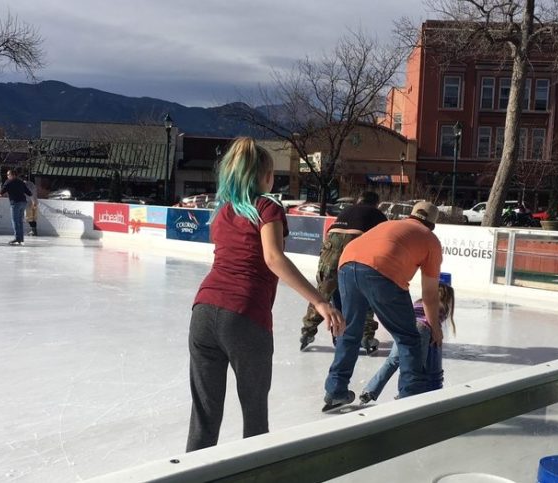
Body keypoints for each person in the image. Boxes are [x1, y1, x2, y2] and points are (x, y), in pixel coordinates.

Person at [187, 137, 345, 452]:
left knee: (204, 417)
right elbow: (274, 258)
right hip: (244, 315)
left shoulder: (222, 212)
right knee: (255, 417)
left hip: (203, 312)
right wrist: (319, 301)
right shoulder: (266, 206)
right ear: (263, 176)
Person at [323, 201, 444, 411]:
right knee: (408, 338)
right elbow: (430, 294)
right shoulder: (430, 240)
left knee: (350, 331)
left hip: (346, 263)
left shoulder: (390, 225)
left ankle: (335, 390)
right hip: (381, 271)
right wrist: (435, 327)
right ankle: (410, 397)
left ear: (411, 215)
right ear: (432, 224)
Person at [300, 191, 387, 353]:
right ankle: (366, 336)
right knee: (365, 290)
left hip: (330, 246)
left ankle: (307, 331)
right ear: (376, 203)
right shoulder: (377, 214)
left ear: (359, 200)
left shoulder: (346, 211)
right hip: (354, 245)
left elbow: (330, 235)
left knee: (324, 291)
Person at [360, 282, 455, 404]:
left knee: (392, 361)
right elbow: (434, 328)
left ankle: (370, 390)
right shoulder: (441, 307)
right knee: (415, 367)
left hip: (404, 329)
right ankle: (405, 394)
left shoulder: (418, 303)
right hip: (422, 330)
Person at [0, 169, 32, 245]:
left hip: (15, 203)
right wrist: (34, 200)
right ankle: (21, 238)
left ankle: (17, 238)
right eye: (7, 175)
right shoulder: (21, 182)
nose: (7, 176)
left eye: (9, 175)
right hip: (23, 202)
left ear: (13, 175)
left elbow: (2, 190)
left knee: (15, 221)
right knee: (20, 221)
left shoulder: (9, 182)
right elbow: (28, 192)